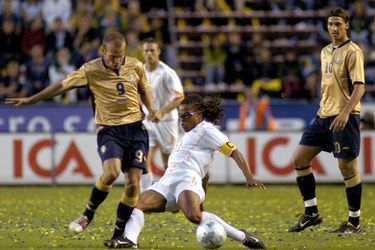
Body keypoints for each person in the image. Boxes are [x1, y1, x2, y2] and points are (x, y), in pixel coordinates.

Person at [5, 31, 159, 235]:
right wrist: (32, 99)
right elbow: (61, 86)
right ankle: (88, 213)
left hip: (136, 130)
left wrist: (153, 109)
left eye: (120, 56)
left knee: (132, 186)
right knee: (111, 172)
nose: (116, 61)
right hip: (110, 130)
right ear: (102, 50)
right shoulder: (90, 70)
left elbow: (144, 88)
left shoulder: (135, 65)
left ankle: (118, 233)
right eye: (112, 56)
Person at [104, 94, 267, 249]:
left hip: (187, 180)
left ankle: (242, 236)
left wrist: (249, 177)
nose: (182, 119)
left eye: (186, 115)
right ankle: (131, 240)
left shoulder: (207, 130)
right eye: (180, 115)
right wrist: (202, 193)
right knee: (137, 205)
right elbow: (206, 175)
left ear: (200, 114)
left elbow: (235, 152)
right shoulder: (190, 134)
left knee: (194, 217)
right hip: (167, 181)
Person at [288, 7, 365, 233]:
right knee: (299, 159)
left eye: (338, 24)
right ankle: (311, 213)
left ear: (346, 25)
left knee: (347, 169)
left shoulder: (353, 51)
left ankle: (353, 222)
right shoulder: (324, 51)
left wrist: (344, 113)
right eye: (330, 24)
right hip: (323, 117)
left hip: (345, 117)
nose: (333, 28)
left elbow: (360, 87)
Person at [140, 37, 184, 192]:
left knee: (169, 162)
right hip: (147, 122)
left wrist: (161, 112)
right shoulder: (140, 71)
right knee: (143, 160)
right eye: (146, 50)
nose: (149, 53)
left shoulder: (167, 72)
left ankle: (172, 193)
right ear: (143, 52)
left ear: (158, 51)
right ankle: (145, 197)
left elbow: (180, 96)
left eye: (152, 50)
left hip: (166, 122)